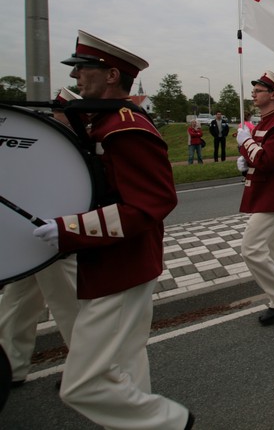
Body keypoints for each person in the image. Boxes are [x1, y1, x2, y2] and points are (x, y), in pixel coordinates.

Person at [31, 30, 192, 428]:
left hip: (122, 264)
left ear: (111, 75)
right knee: (126, 363)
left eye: (83, 68)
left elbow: (151, 203)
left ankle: (170, 422)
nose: (76, 76)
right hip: (114, 262)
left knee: (81, 384)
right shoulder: (105, 123)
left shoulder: (125, 128)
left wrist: (70, 229)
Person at [0, 89, 80, 390]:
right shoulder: (48, 139)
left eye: (60, 112)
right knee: (17, 303)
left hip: (60, 233)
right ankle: (11, 365)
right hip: (28, 234)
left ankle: (87, 372)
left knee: (70, 305)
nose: (55, 117)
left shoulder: (72, 143)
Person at [235, 70, 274, 326]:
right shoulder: (266, 122)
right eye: (253, 90)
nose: (253, 94)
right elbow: (259, 159)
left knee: (251, 249)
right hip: (268, 193)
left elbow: (266, 160)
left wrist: (245, 144)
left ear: (273, 95)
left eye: (258, 90)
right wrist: (245, 162)